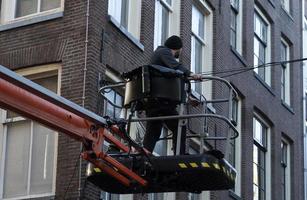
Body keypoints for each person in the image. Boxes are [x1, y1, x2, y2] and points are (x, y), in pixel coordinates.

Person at [142, 35, 202, 154]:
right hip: (161, 101)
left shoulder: (160, 56)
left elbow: (173, 78)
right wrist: (192, 74)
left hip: (154, 101)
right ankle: (179, 155)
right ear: (178, 48)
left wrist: (188, 98)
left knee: (154, 130)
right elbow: (176, 67)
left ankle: (145, 154)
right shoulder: (163, 52)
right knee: (179, 126)